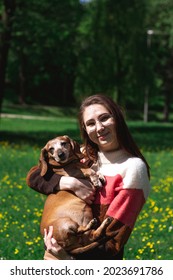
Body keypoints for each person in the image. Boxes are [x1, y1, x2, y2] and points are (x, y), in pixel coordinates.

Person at [26, 94, 150, 260]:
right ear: (85, 129)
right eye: (91, 123)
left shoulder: (133, 168)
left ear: (118, 118)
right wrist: (68, 182)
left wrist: (68, 258)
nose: (99, 128)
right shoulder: (82, 154)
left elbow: (112, 241)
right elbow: (34, 176)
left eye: (104, 118)